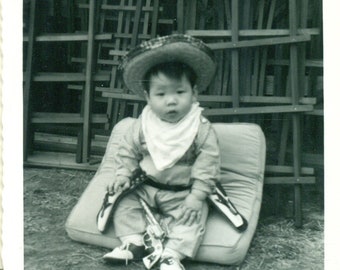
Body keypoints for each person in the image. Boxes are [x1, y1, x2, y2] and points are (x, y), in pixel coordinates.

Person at [103, 34, 220, 270]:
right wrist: (123, 175)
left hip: (181, 193)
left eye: (180, 92)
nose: (171, 101)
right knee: (123, 202)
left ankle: (172, 254)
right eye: (161, 94)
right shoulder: (142, 126)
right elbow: (127, 152)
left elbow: (208, 164)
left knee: (193, 216)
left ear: (194, 93)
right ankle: (132, 242)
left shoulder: (200, 128)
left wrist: (196, 196)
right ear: (147, 97)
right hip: (145, 187)